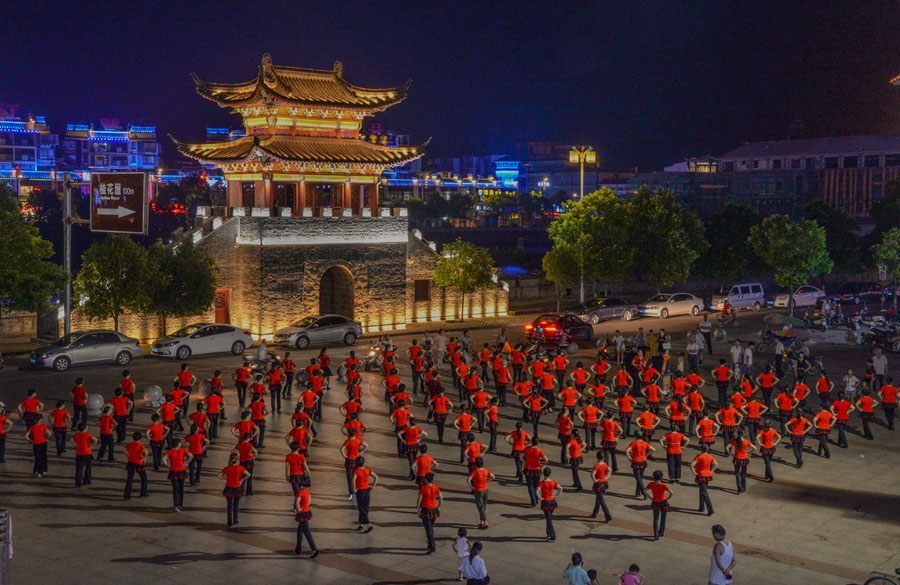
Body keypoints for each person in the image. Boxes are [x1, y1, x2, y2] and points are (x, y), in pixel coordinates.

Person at [219, 453, 250, 527]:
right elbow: (248, 474)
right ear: (237, 460)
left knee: (229, 505)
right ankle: (235, 520)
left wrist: (226, 478)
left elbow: (219, 476)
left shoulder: (227, 468)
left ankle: (229, 522)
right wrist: (241, 480)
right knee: (236, 504)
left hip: (229, 488)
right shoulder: (240, 468)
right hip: (237, 487)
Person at [164, 438, 193, 511]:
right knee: (181, 488)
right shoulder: (183, 450)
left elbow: (163, 459)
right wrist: (186, 462)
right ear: (178, 444)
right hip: (182, 471)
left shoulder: (170, 451)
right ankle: (180, 504)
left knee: (175, 489)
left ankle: (176, 505)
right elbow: (191, 456)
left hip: (173, 472)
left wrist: (167, 465)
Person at [417, 472, 443, 553]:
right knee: (430, 527)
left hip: (426, 510)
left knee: (428, 530)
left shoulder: (423, 488)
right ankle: (429, 544)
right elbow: (441, 497)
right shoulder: (436, 487)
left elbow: (419, 499)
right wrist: (439, 507)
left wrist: (418, 509)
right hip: (434, 509)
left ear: (425, 479)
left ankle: (432, 546)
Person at [294, 475, 319, 557]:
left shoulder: (300, 492)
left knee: (306, 532)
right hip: (307, 511)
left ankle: (314, 549)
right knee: (299, 531)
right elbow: (309, 500)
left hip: (302, 513)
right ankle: (298, 548)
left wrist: (298, 510)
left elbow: (297, 502)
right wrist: (306, 506)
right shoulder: (307, 491)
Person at [352, 456, 378, 533]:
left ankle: (369, 525)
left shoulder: (356, 471)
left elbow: (353, 480)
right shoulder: (367, 469)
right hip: (367, 490)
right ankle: (361, 524)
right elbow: (376, 477)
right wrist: (373, 486)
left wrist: (354, 490)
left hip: (360, 491)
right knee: (365, 507)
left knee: (361, 508)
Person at [467, 457, 495, 529]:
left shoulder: (475, 471)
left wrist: (471, 487)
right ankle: (481, 522)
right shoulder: (486, 470)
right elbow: (493, 477)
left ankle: (485, 521)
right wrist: (486, 481)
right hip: (485, 489)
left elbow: (468, 479)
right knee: (483, 506)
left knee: (480, 507)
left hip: (478, 490)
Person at [645, 470, 673, 540]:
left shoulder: (651, 484)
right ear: (661, 478)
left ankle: (656, 534)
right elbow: (671, 492)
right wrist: (668, 498)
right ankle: (661, 532)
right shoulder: (663, 485)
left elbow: (644, 491)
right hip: (663, 502)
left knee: (655, 519)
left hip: (655, 502)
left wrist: (650, 497)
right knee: (663, 518)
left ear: (653, 477)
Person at [691, 444, 717, 515]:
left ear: (701, 449)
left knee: (704, 493)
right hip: (708, 475)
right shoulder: (710, 456)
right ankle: (701, 507)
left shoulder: (699, 456)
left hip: (701, 475)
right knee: (702, 491)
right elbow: (715, 463)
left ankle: (710, 509)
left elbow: (692, 464)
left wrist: (694, 472)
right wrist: (711, 471)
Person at [538, 467, 562, 542]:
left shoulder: (542, 483)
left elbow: (536, 492)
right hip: (552, 501)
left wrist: (540, 498)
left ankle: (553, 537)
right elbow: (560, 488)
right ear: (550, 474)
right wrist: (556, 495)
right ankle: (548, 533)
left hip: (546, 502)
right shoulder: (553, 482)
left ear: (543, 474)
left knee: (549, 520)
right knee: (549, 517)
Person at [523, 438, 548, 506]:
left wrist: (525, 461)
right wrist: (542, 466)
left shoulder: (527, 449)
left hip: (528, 469)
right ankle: (536, 499)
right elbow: (546, 459)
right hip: (537, 469)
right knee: (536, 485)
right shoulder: (539, 450)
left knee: (530, 485)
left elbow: (520, 456)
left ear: (532, 442)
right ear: (538, 443)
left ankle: (533, 499)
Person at [124, 431, 149, 499]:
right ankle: (143, 493)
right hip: (139, 463)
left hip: (131, 462)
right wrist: (144, 458)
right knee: (143, 478)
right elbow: (146, 452)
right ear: (140, 438)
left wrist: (128, 455)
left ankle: (127, 495)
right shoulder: (141, 445)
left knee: (130, 479)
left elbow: (124, 449)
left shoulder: (130, 444)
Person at [72, 423, 96, 487]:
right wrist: (92, 447)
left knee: (79, 468)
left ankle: (78, 482)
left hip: (79, 453)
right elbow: (95, 439)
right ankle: (86, 480)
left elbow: (71, 440)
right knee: (88, 467)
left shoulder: (76, 435)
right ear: (85, 429)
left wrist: (75, 446)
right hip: (87, 452)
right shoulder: (88, 435)